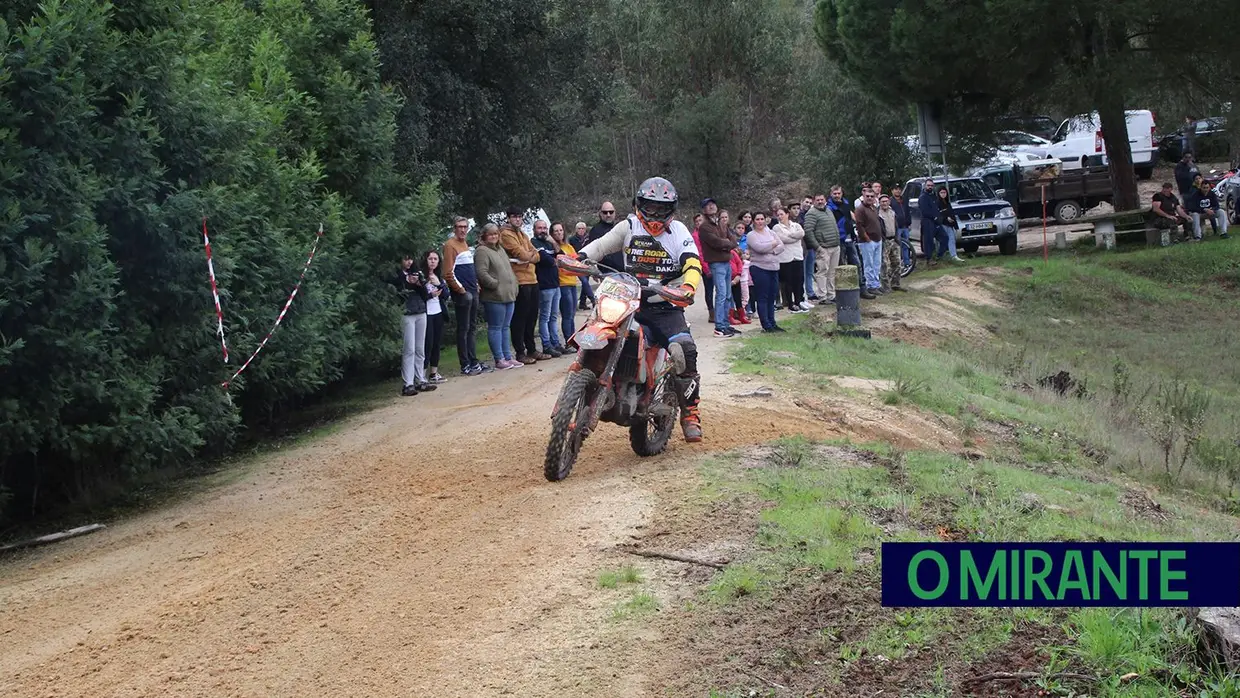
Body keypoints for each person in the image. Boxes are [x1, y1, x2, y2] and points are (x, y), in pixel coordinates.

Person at [576, 176, 706, 442]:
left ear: (672, 209)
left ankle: (690, 413)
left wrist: (688, 288)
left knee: (684, 351)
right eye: (650, 206)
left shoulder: (679, 231)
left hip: (665, 305)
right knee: (596, 329)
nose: (656, 213)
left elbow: (692, 263)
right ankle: (588, 385)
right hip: (628, 299)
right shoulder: (629, 226)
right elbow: (600, 246)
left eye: (662, 208)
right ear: (639, 204)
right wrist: (579, 258)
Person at [499, 207, 546, 363]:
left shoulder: (522, 234)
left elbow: (537, 254)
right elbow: (523, 254)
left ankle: (531, 349)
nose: (518, 219)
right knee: (520, 317)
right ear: (508, 218)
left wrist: (529, 257)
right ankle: (520, 351)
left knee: (532, 316)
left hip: (532, 279)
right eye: (514, 217)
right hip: (520, 281)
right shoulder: (506, 234)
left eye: (520, 217)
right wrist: (528, 256)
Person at [443, 217, 488, 376]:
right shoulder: (450, 245)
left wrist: (475, 283)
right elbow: (448, 273)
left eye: (465, 227)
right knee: (463, 328)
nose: (462, 230)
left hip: (472, 290)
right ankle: (465, 363)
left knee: (472, 327)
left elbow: (468, 268)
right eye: (459, 227)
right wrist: (461, 290)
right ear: (454, 228)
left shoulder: (464, 244)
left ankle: (473, 360)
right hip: (463, 293)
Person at [474, 224, 522, 370]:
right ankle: (499, 358)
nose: (494, 236)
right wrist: (494, 284)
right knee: (495, 327)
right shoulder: (482, 251)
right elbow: (481, 273)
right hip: (494, 296)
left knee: (505, 327)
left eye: (496, 234)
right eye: (491, 234)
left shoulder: (500, 249)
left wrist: (514, 284)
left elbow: (508, 269)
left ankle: (507, 356)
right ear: (484, 236)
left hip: (508, 295)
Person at [391, 254, 437, 396]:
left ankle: (420, 379)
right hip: (407, 312)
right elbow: (396, 291)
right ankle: (408, 383)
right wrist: (407, 281)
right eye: (405, 259)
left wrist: (420, 284)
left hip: (420, 310)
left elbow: (425, 295)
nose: (409, 262)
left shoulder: (417, 273)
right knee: (409, 348)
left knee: (419, 347)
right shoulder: (396, 275)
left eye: (410, 259)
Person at [696, 197, 740, 338]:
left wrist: (727, 243)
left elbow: (733, 239)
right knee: (721, 294)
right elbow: (716, 243)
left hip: (726, 262)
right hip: (716, 263)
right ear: (703, 210)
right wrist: (726, 243)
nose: (711, 207)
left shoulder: (721, 223)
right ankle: (719, 327)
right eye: (708, 205)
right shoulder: (704, 227)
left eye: (713, 204)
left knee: (727, 294)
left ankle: (726, 324)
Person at [745, 212, 785, 333]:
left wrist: (770, 250)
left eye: (762, 219)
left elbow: (781, 246)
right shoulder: (751, 235)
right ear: (753, 221)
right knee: (763, 297)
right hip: (759, 268)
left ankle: (773, 323)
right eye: (757, 219)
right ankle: (766, 324)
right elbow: (759, 248)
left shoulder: (771, 232)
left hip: (773, 268)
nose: (760, 221)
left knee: (772, 296)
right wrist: (773, 244)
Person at [532, 220, 567, 357]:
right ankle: (546, 345)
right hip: (544, 285)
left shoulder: (548, 242)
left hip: (555, 283)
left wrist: (553, 242)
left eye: (545, 228)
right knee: (545, 317)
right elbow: (545, 259)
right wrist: (557, 261)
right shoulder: (534, 242)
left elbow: (562, 255)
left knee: (553, 316)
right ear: (534, 230)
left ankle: (555, 343)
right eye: (540, 228)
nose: (542, 230)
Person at [804, 192, 840, 304]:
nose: (820, 202)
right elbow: (808, 231)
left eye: (822, 200)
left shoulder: (829, 210)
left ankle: (831, 294)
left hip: (835, 246)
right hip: (823, 247)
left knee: (832, 272)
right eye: (818, 200)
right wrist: (818, 247)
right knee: (822, 271)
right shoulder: (811, 214)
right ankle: (822, 296)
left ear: (825, 200)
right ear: (814, 201)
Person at [773, 207, 810, 311]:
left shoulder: (796, 225)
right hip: (785, 258)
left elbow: (801, 233)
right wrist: (794, 237)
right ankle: (790, 303)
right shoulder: (776, 227)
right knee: (788, 282)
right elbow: (782, 239)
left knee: (798, 280)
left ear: (787, 214)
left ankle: (798, 302)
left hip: (797, 256)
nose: (780, 217)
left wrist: (790, 235)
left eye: (782, 214)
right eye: (778, 215)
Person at [422, 249, 450, 384]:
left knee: (436, 343)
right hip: (425, 313)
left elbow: (446, 295)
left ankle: (434, 372)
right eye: (430, 259)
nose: (433, 261)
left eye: (435, 259)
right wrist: (430, 294)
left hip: (438, 312)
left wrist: (439, 284)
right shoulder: (421, 276)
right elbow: (420, 296)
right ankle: (421, 374)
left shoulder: (439, 276)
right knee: (427, 343)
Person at [552, 223, 582, 343]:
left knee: (572, 313)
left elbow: (575, 262)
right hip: (562, 283)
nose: (559, 233)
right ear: (552, 234)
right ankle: (569, 341)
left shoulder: (569, 247)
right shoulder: (553, 247)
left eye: (560, 230)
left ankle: (573, 339)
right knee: (567, 314)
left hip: (572, 282)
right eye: (556, 231)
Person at [854, 190, 882, 298]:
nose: (869, 198)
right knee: (868, 265)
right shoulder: (860, 209)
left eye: (871, 196)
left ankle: (876, 284)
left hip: (878, 239)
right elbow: (859, 225)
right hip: (867, 241)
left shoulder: (874, 208)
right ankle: (870, 286)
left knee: (876, 264)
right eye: (867, 196)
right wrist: (866, 238)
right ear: (863, 197)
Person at [877, 194, 905, 293]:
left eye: (886, 201)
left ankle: (896, 284)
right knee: (884, 264)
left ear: (889, 202)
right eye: (882, 201)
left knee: (897, 262)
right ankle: (885, 286)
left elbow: (896, 225)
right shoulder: (877, 213)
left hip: (894, 240)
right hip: (885, 241)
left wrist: (897, 238)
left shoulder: (892, 212)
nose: (884, 203)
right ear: (879, 203)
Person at [569, 220, 596, 310]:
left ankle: (582, 303)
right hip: (577, 263)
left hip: (586, 262)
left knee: (586, 283)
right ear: (576, 230)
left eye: (583, 228)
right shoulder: (572, 239)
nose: (581, 230)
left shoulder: (588, 239)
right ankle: (593, 300)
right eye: (579, 229)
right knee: (584, 281)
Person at [934, 186, 963, 263]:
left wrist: (956, 226)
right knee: (945, 240)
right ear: (938, 193)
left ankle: (953, 256)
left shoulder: (947, 203)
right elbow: (938, 214)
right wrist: (946, 218)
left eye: (944, 192)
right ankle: (941, 256)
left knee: (951, 240)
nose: (943, 194)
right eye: (941, 193)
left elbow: (952, 214)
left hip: (950, 225)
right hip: (942, 224)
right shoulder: (937, 203)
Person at [889, 185, 913, 268]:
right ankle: (897, 264)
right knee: (897, 246)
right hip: (897, 227)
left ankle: (907, 262)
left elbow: (908, 212)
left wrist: (909, 223)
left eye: (899, 189)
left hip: (905, 226)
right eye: (896, 189)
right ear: (892, 191)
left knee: (906, 246)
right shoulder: (890, 201)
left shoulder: (904, 200)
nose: (898, 191)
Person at [917, 179, 940, 262]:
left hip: (935, 221)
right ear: (925, 186)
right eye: (928, 185)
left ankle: (939, 256)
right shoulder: (923, 197)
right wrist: (934, 217)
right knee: (928, 240)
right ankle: (929, 259)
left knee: (944, 237)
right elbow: (925, 211)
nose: (930, 187)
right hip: (927, 221)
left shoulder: (933, 196)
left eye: (931, 186)